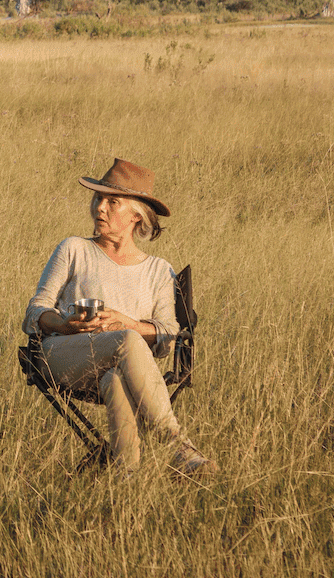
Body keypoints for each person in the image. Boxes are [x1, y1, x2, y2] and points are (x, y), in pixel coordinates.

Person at [24, 159, 214, 476]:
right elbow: (35, 310)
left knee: (114, 376)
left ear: (136, 215)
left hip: (123, 366)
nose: (99, 208)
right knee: (126, 341)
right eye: (98, 199)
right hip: (63, 354)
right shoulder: (74, 249)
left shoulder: (157, 270)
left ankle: (125, 482)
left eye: (112, 202)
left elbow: (168, 334)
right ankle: (178, 447)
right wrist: (64, 324)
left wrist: (125, 322)